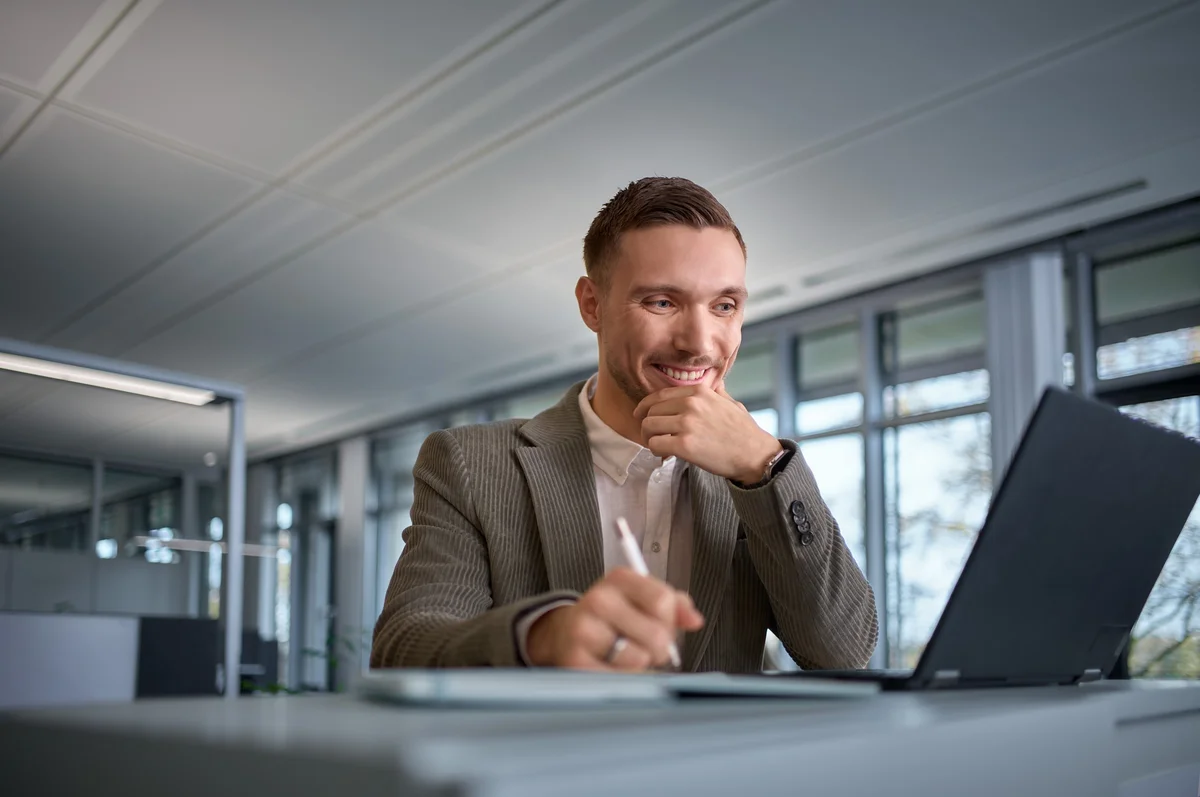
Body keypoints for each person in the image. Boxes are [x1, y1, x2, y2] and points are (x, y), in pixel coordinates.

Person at [371, 177, 877, 673]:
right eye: (662, 302)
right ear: (593, 304)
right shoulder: (471, 463)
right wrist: (541, 636)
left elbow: (843, 652)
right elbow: (404, 648)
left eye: (724, 306)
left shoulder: (760, 473)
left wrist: (764, 467)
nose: (699, 342)